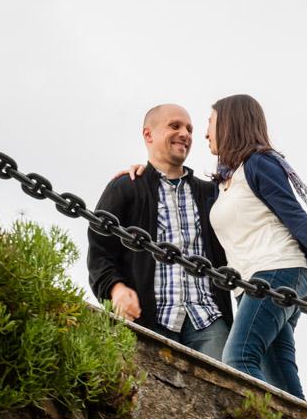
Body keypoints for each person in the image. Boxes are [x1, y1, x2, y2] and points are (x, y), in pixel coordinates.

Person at [206, 94, 307, 399]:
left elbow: (295, 218)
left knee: (238, 358)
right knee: (280, 378)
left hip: (277, 272)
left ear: (230, 124)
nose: (206, 133)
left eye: (211, 122)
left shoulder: (258, 164)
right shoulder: (224, 184)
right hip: (248, 284)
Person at [87, 104, 233, 360]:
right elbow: (100, 251)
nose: (185, 134)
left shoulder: (210, 193)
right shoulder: (126, 187)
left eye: (189, 128)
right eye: (174, 126)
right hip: (151, 316)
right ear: (148, 135)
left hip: (209, 319)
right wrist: (116, 289)